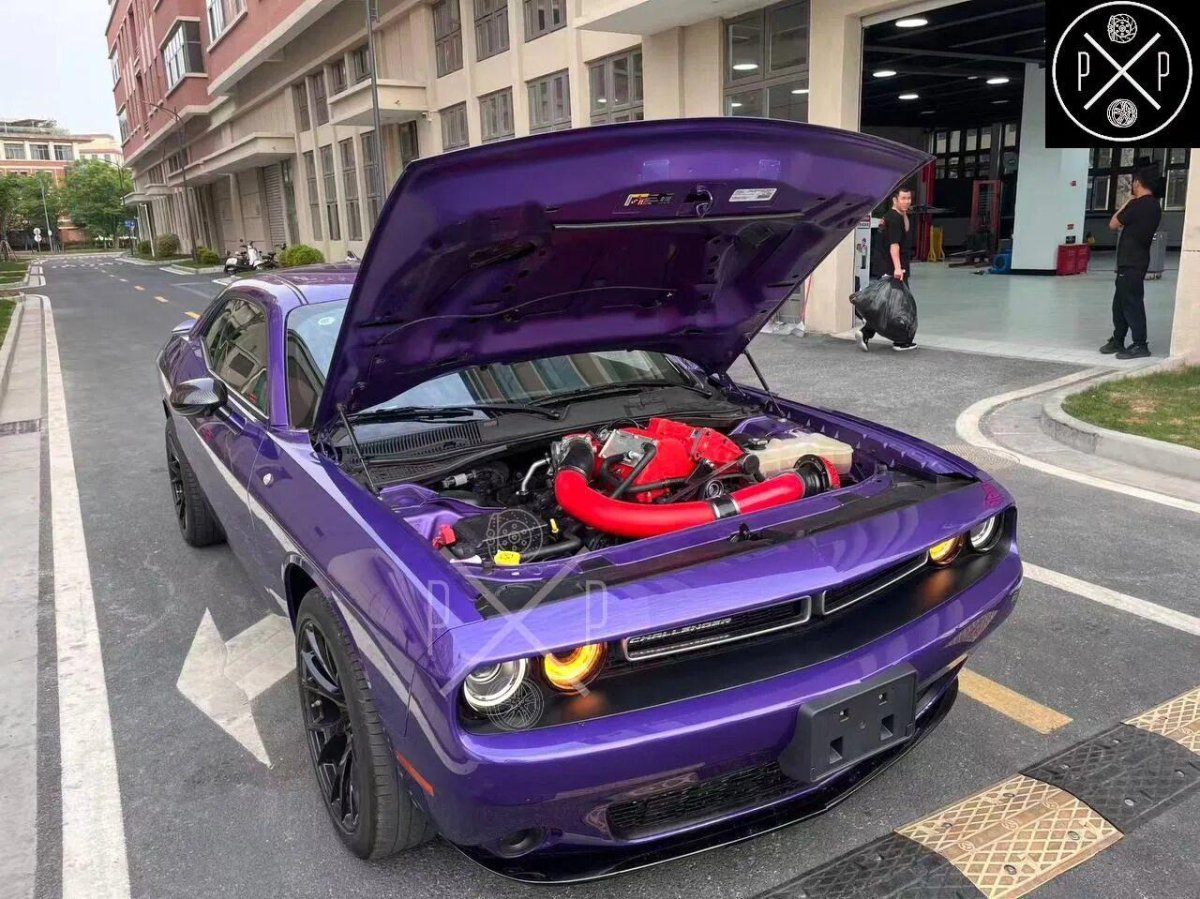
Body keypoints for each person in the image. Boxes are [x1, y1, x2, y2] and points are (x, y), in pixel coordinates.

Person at [1101, 166, 1162, 359]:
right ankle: (1118, 339)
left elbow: (1113, 223)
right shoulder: (1154, 205)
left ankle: (1140, 344)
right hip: (1137, 260)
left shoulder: (1138, 205)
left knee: (1131, 303)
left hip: (1131, 261)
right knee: (1120, 303)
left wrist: (1128, 201)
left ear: (1137, 183)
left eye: (1133, 182)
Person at [858, 186, 917, 352]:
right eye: (903, 198)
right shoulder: (895, 219)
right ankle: (900, 341)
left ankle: (867, 332)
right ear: (895, 200)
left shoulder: (890, 216)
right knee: (901, 306)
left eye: (909, 198)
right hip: (895, 268)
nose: (907, 202)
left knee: (887, 304)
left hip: (887, 266)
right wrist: (898, 269)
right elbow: (894, 246)